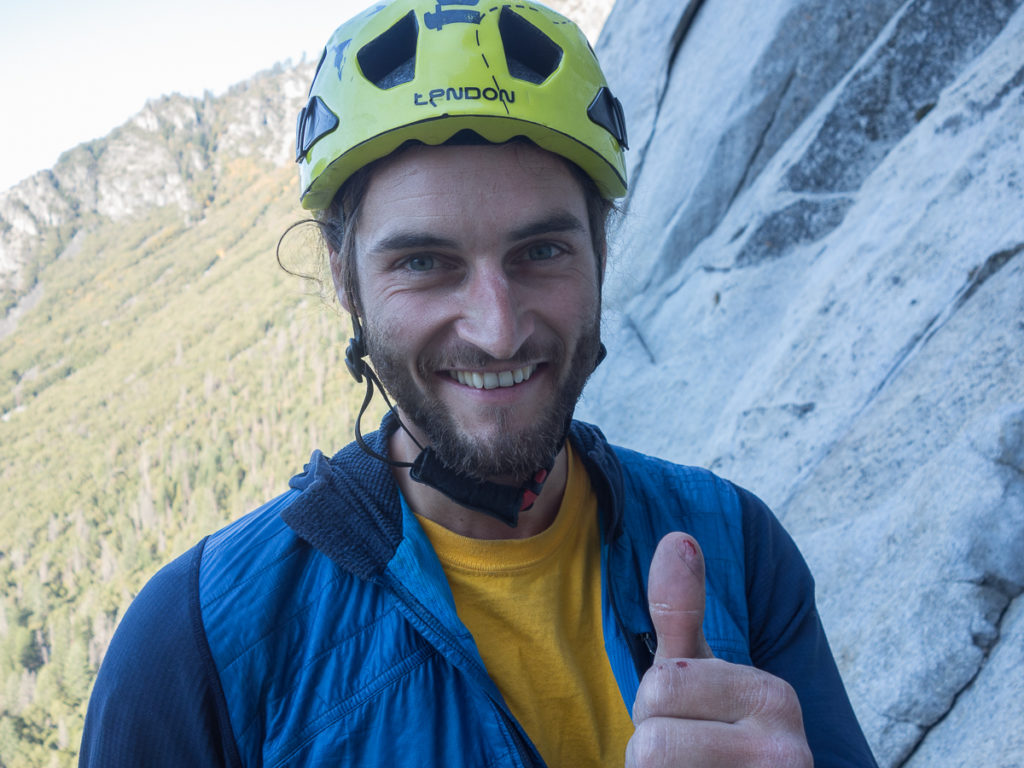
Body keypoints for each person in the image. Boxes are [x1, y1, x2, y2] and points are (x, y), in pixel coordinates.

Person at [80, 1, 878, 766]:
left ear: (600, 256)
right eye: (425, 263)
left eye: (542, 252)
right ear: (345, 282)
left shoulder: (737, 550)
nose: (496, 327)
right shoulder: (196, 647)